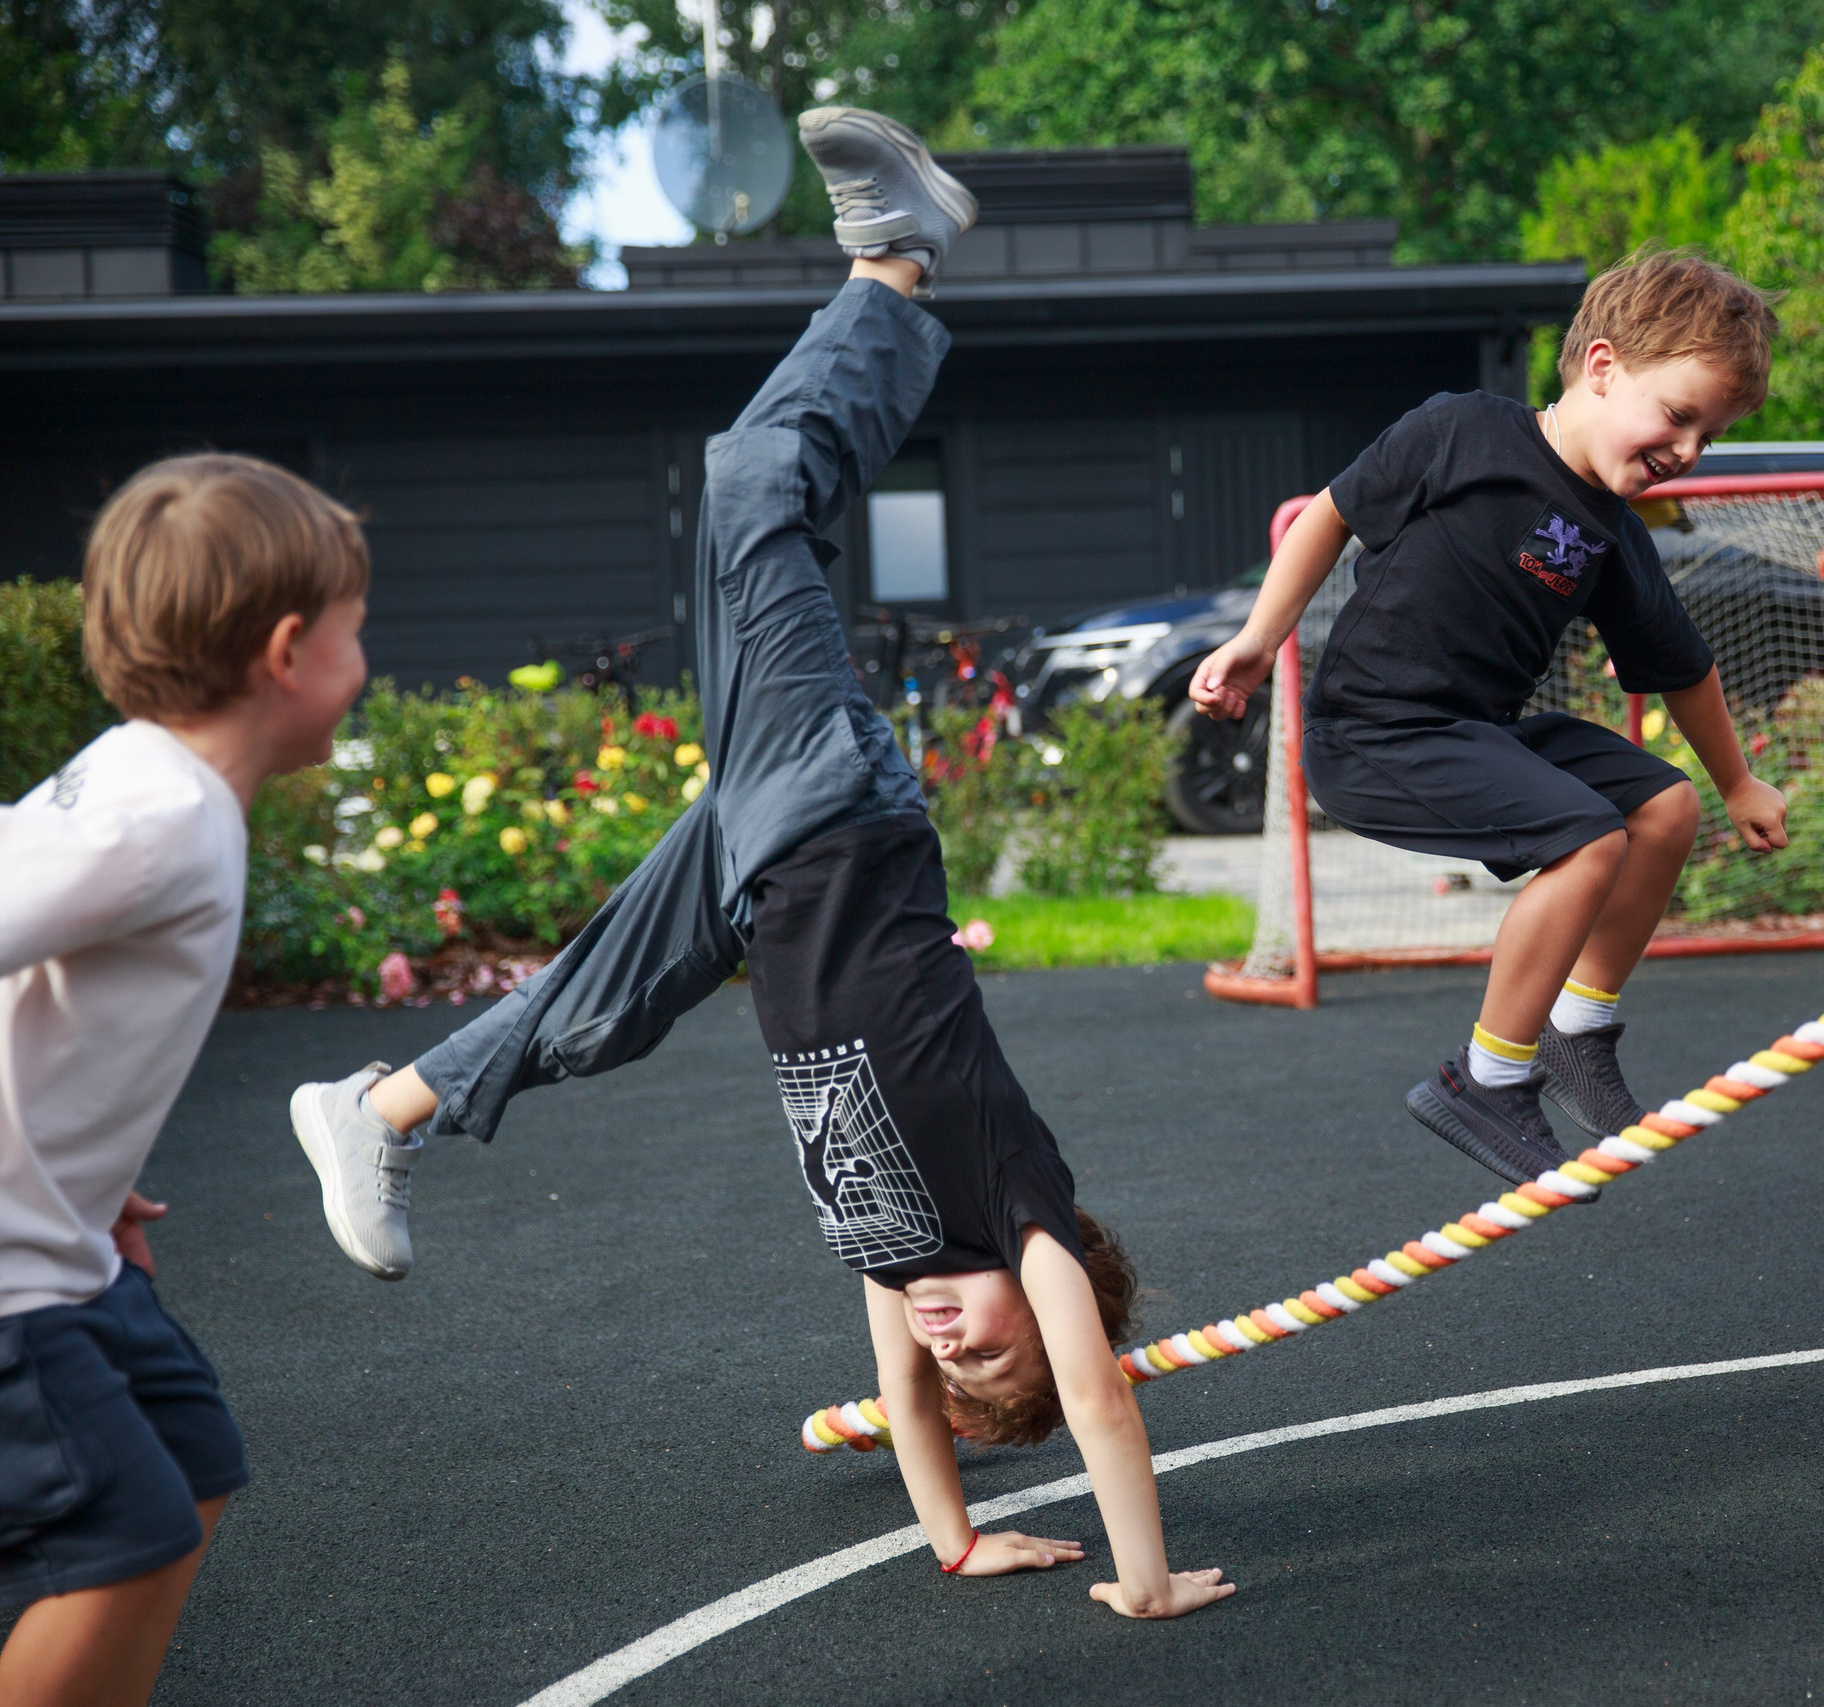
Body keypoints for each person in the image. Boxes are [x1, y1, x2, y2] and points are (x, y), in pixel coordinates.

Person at [286, 109, 1229, 1618]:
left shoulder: (890, 1258)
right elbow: (1104, 1405)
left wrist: (961, 1534)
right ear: (1055, 1310)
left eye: (950, 1352)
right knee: (748, 489)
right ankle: (898, 258)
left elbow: (908, 1402)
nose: (947, 1332)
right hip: (834, 821)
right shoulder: (1015, 1203)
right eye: (989, 1339)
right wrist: (1147, 1574)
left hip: (758, 881)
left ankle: (378, 1106)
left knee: (601, 1003)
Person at [1188, 249, 1792, 1184]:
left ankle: (1576, 1031)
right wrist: (1260, 640)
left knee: (1663, 810)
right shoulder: (1463, 431)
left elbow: (1685, 667)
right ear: (1602, 365)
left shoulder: (1614, 537)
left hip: (1480, 729)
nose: (1688, 451)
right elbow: (1329, 515)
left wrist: (1737, 782)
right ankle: (1485, 1079)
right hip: (1374, 733)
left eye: (1708, 436)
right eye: (1679, 416)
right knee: (1586, 839)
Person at [0, 457, 372, 1702]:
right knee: (122, 1538)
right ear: (286, 652)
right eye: (354, 635)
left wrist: (88, 1181)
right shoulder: (159, 813)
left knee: (186, 1450)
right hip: (11, 1275)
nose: (364, 664)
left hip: (68, 1245)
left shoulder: (152, 783)